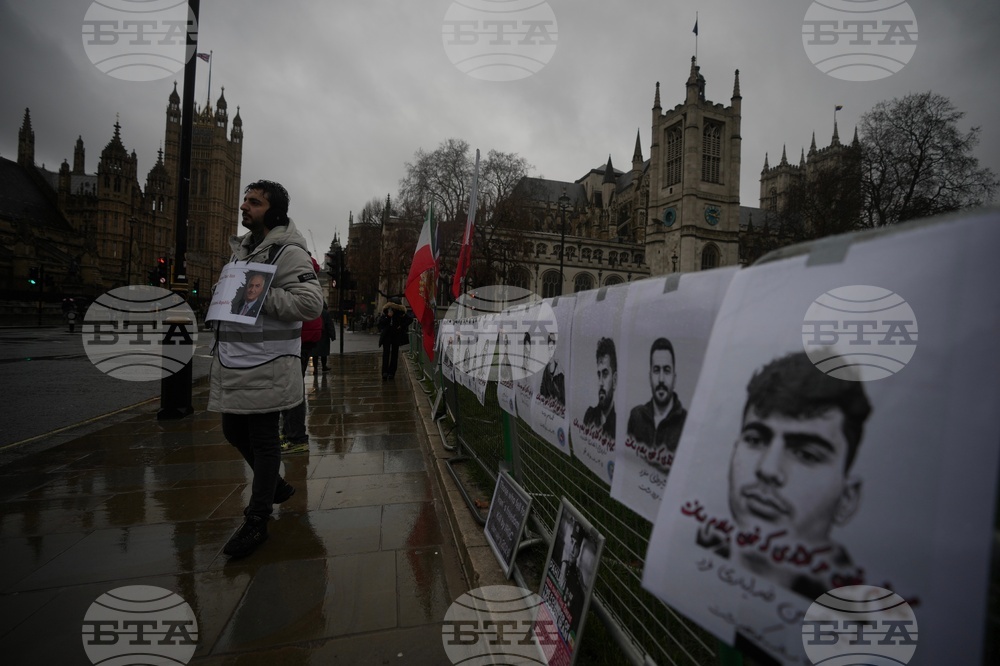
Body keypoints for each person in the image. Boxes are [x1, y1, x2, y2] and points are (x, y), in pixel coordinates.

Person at [208, 180, 323, 559]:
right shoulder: (242, 251)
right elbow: (240, 294)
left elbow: (310, 304)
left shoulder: (289, 251)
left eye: (254, 203)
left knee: (263, 439)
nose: (244, 206)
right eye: (244, 200)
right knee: (231, 428)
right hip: (237, 363)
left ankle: (257, 519)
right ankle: (273, 484)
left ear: (273, 211)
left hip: (269, 363)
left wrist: (253, 293)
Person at [699, 351, 872, 599]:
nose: (768, 469)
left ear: (847, 498)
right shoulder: (694, 560)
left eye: (806, 454)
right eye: (756, 440)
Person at [278, 255, 324, 455]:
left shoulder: (294, 268)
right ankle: (288, 431)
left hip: (300, 336)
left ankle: (296, 437)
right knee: (289, 387)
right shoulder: (306, 270)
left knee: (292, 389)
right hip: (305, 335)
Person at [626, 337, 687, 473]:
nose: (661, 379)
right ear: (649, 377)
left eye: (666, 370)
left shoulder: (687, 424)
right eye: (656, 370)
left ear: (674, 378)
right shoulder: (636, 416)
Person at [582, 337, 617, 441]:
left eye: (605, 374)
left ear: (614, 380)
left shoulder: (618, 425)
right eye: (599, 374)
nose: (600, 382)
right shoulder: (589, 416)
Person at [378, 298, 410, 380]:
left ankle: (391, 372)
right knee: (386, 353)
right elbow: (380, 323)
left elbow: (409, 319)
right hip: (387, 335)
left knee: (394, 354)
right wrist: (388, 317)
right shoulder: (386, 312)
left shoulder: (400, 313)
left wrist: (401, 326)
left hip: (396, 335)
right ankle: (384, 372)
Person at [538, 332, 566, 406]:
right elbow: (542, 391)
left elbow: (564, 399)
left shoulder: (560, 373)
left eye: (552, 349)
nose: (550, 352)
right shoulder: (546, 370)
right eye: (548, 349)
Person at [311, 300, 336, 374]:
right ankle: (324, 366)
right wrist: (332, 335)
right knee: (323, 353)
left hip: (315, 334)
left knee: (314, 353)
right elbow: (329, 325)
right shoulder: (325, 313)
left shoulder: (313, 312)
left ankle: (315, 368)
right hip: (324, 335)